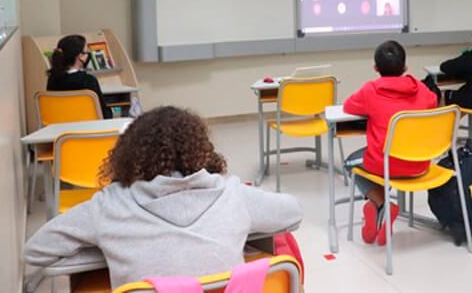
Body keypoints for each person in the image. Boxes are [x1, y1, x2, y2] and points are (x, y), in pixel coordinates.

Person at [24, 106, 303, 289]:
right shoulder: (232, 193)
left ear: (129, 153)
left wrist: (110, 244)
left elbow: (36, 250)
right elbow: (293, 212)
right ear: (201, 149)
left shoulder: (109, 206)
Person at [342, 41, 438, 246]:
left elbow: (349, 106)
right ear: (405, 66)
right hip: (419, 163)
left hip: (386, 164)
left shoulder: (370, 90)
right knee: (376, 156)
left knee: (350, 162)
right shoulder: (420, 88)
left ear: (375, 68)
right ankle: (377, 210)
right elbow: (433, 102)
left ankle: (382, 204)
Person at [46, 34, 113, 119]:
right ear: (80, 56)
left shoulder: (52, 79)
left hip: (60, 126)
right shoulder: (88, 80)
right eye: (86, 52)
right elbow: (103, 113)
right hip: (87, 125)